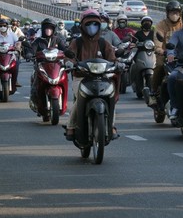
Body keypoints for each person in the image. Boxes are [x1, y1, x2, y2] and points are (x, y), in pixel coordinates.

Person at [65, 10, 118, 140]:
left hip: (102, 77)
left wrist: (118, 64)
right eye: (89, 24)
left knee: (110, 99)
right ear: (83, 26)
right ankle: (71, 126)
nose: (92, 27)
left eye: (95, 24)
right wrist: (69, 63)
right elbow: (69, 57)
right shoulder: (76, 42)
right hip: (81, 77)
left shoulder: (103, 43)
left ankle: (111, 125)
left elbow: (112, 58)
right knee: (79, 100)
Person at [27, 18, 70, 108]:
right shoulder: (38, 41)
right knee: (34, 79)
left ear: (54, 30)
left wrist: (69, 53)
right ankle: (35, 100)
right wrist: (29, 54)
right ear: (43, 29)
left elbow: (65, 49)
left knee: (65, 76)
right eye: (46, 28)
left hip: (56, 67)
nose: (48, 30)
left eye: (50, 28)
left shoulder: (57, 40)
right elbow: (32, 49)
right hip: (41, 67)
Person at [150, 0, 183, 106]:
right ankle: (153, 93)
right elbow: (157, 41)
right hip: (164, 55)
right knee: (159, 66)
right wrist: (160, 50)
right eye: (172, 12)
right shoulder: (161, 25)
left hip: (182, 56)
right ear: (167, 13)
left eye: (177, 12)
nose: (175, 14)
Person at [0, 18, 21, 89]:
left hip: (10, 55)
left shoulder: (12, 35)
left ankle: (15, 80)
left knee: (17, 62)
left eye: (4, 25)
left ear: (7, 26)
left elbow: (18, 43)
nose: (2, 27)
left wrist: (17, 47)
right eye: (0, 26)